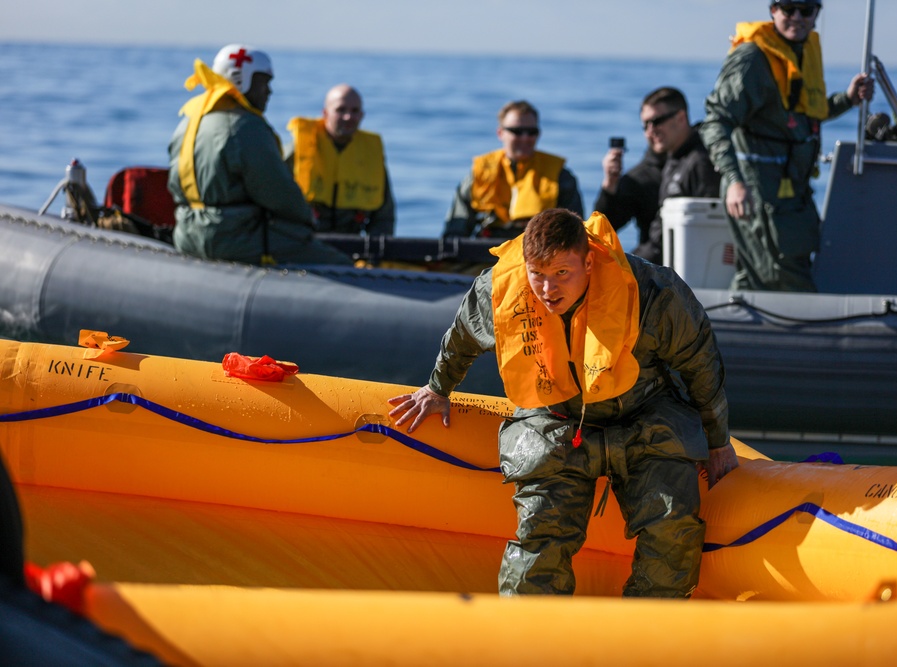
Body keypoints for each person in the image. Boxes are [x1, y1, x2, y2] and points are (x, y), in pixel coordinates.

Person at [389, 208, 736, 597]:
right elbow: (464, 335)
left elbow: (700, 362)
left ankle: (643, 639)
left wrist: (718, 441)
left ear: (588, 261)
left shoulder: (651, 291)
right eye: (537, 274)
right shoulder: (501, 290)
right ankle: (530, 645)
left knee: (672, 529)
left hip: (644, 413)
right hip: (555, 417)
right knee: (540, 534)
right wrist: (437, 389)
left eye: (562, 273)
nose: (547, 289)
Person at [701, 1, 873, 292]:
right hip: (758, 192)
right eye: (788, 8)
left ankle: (734, 333)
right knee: (779, 275)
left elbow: (800, 114)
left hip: (793, 192)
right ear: (773, 11)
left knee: (764, 274)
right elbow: (715, 122)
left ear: (817, 14)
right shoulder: (753, 58)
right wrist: (734, 181)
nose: (797, 17)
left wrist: (847, 99)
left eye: (805, 10)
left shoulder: (802, 52)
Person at [167, 44, 351, 266]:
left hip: (187, 235)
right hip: (235, 240)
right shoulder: (245, 127)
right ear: (242, 80)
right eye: (264, 82)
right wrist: (307, 219)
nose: (269, 91)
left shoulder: (189, 120)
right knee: (339, 264)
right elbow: (276, 191)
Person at [595, 87, 721, 263]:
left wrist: (629, 268)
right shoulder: (646, 173)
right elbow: (600, 232)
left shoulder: (702, 162)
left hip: (685, 269)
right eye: (645, 125)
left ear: (681, 118)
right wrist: (610, 185)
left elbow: (709, 231)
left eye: (656, 121)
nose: (650, 131)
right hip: (658, 266)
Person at [442, 101, 584, 239]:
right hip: (487, 252)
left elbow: (575, 232)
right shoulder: (480, 172)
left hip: (538, 253)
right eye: (517, 131)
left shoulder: (559, 176)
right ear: (500, 133)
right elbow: (456, 230)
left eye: (531, 132)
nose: (525, 138)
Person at [286, 84, 396, 236]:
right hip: (305, 241)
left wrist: (375, 251)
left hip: (353, 245)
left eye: (354, 111)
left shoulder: (371, 156)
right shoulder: (298, 151)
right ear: (325, 113)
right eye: (340, 110)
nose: (348, 117)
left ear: (362, 115)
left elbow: (384, 218)